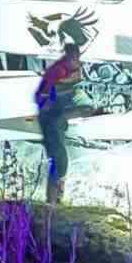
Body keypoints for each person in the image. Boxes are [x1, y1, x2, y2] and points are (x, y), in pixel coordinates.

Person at [35, 42, 82, 204]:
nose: (77, 62)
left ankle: (55, 198)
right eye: (75, 59)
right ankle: (53, 199)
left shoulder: (66, 69)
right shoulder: (58, 70)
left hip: (55, 117)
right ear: (68, 57)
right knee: (59, 159)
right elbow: (47, 93)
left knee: (59, 160)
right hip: (51, 119)